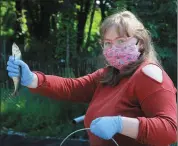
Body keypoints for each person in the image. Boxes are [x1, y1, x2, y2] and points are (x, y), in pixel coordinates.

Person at [6, 10, 177, 146]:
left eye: (121, 41)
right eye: (107, 43)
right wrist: (32, 79)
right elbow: (71, 87)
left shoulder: (148, 75)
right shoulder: (109, 74)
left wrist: (120, 124)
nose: (113, 48)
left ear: (140, 43)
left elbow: (169, 131)